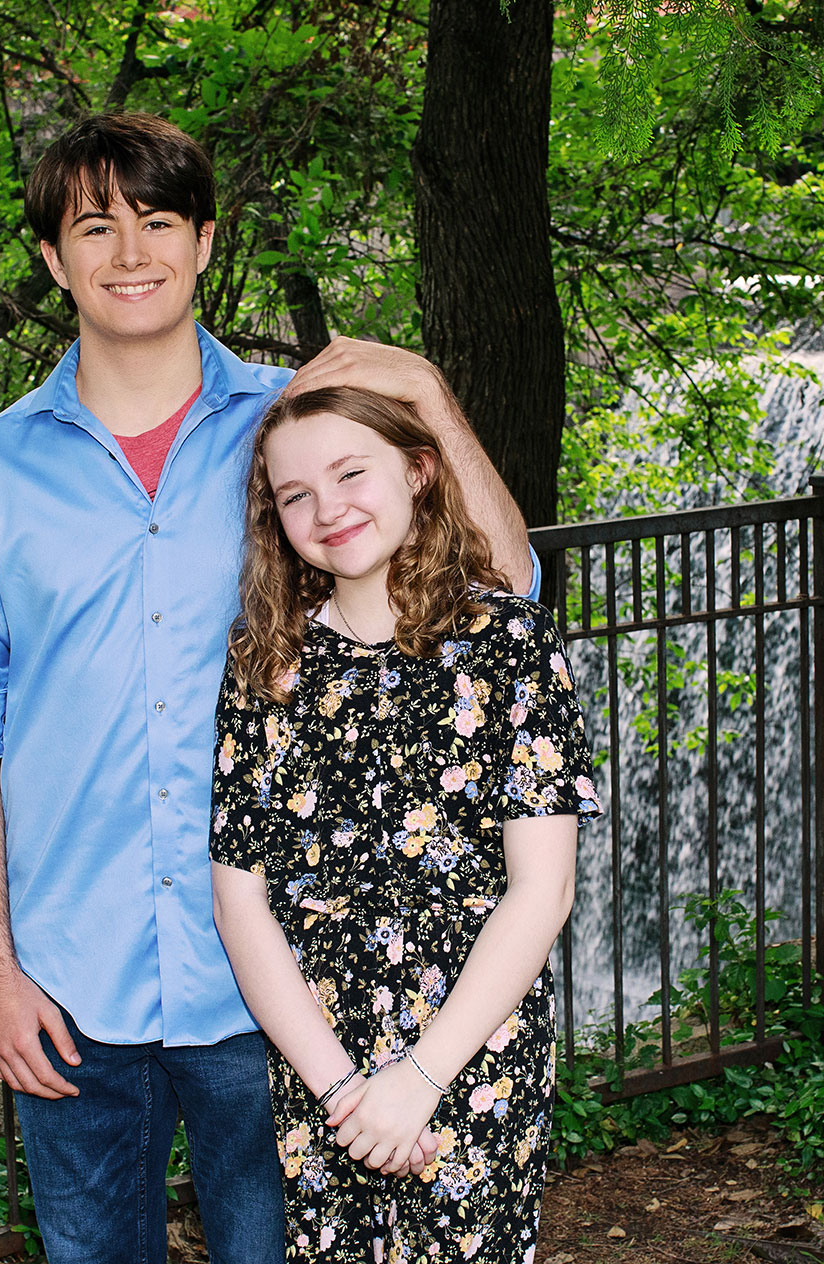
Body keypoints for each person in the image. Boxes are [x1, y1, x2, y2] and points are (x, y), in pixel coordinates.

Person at [0, 112, 538, 1264]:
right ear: (54, 261)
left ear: (204, 241)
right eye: (94, 226)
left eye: (158, 219)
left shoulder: (297, 427)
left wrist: (435, 406)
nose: (131, 250)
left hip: (282, 981)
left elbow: (503, 587)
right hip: (70, 985)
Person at [210, 386, 601, 1263]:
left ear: (418, 471)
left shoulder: (512, 646)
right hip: (322, 1069)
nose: (327, 506)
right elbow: (241, 904)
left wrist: (418, 1082)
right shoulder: (266, 665)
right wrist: (350, 1094)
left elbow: (546, 888)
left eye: (352, 472)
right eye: (294, 493)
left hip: (473, 1056)